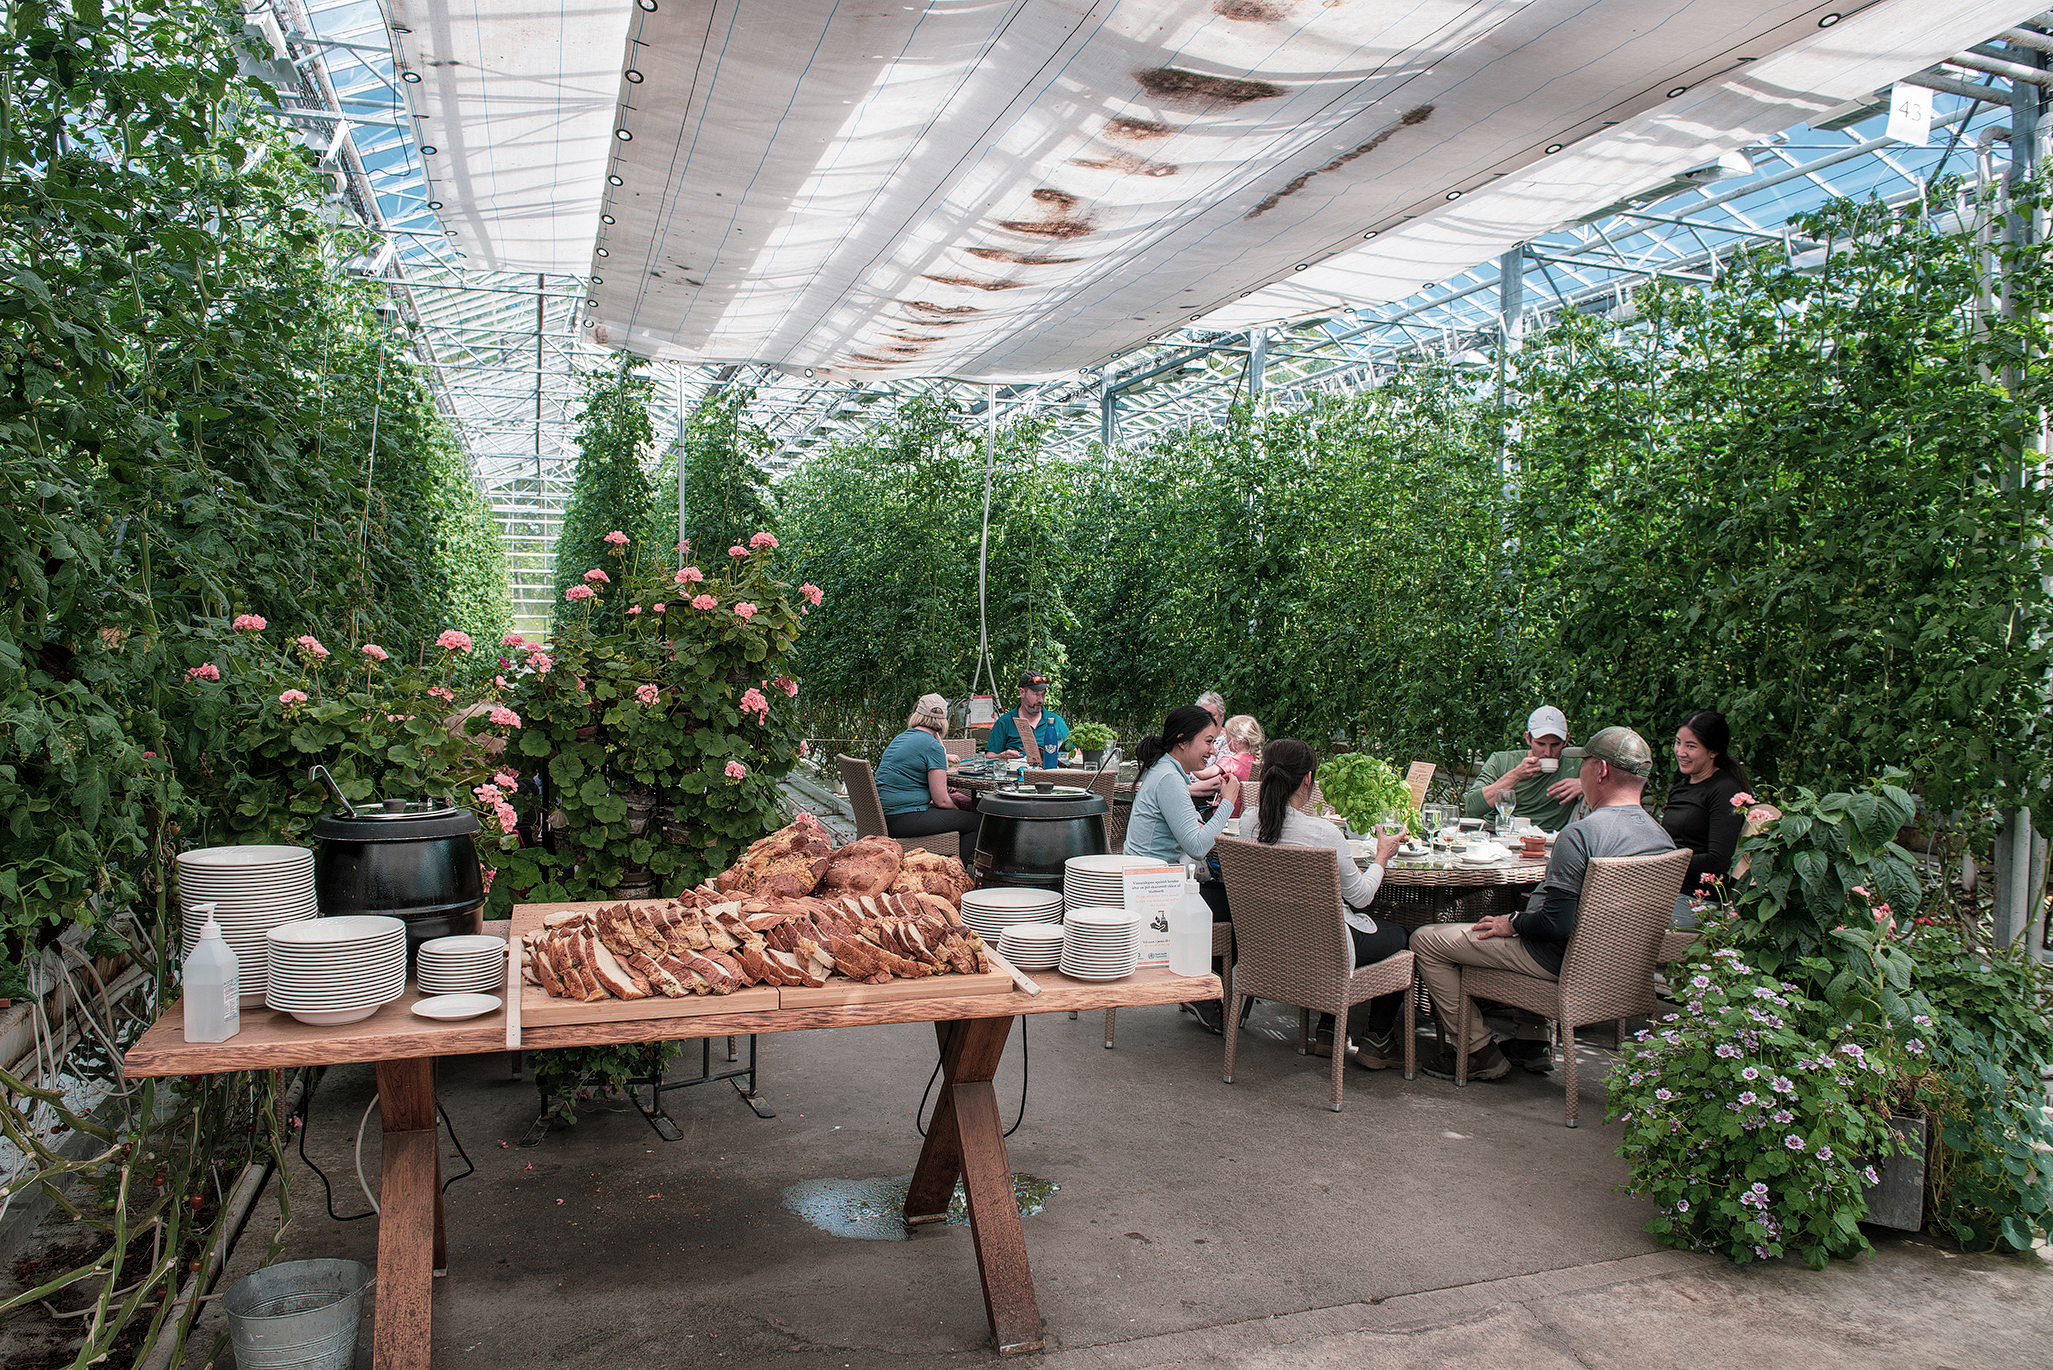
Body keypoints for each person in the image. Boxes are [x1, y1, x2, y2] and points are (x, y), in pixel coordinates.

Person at [1414, 726, 1676, 1082]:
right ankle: (1531, 1042)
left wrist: (1513, 922)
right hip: (1617, 967)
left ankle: (1476, 1051)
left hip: (1559, 961)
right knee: (1529, 911)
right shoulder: (1661, 838)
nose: (1579, 771)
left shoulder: (1582, 834)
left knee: (1426, 940)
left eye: (1583, 763)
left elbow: (1555, 924)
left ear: (1601, 770)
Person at [1249, 739, 1408, 1067]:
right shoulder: (1323, 834)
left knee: (1326, 930)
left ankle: (1330, 1029)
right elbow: (1361, 897)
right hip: (1324, 949)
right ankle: (1377, 1039)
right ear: (1308, 779)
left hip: (1270, 946)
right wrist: (1382, 856)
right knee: (1400, 935)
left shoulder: (1250, 822)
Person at [1124, 704, 1240, 1032]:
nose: (1212, 750)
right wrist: (1228, 801)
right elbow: (1197, 846)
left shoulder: (1167, 771)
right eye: (1208, 741)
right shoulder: (1168, 778)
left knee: (1222, 898)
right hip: (1150, 891)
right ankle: (1200, 990)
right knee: (1236, 908)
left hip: (1149, 880)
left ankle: (1198, 984)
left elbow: (1188, 831)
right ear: (1183, 741)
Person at [1661, 710, 1751, 926]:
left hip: (1696, 900)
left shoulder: (1725, 789)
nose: (1680, 752)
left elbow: (1718, 860)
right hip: (1665, 889)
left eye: (1691, 746)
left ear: (1714, 751)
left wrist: (1662, 862)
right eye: (1678, 743)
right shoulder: (1680, 788)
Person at [877, 694, 982, 844]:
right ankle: (959, 860)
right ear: (943, 720)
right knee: (976, 823)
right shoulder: (932, 746)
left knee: (961, 817)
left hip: (883, 816)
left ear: (917, 714)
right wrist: (958, 812)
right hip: (904, 817)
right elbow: (942, 801)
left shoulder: (901, 738)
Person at [1463, 704, 1585, 833]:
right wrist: (1515, 776)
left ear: (1566, 740)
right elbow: (1472, 808)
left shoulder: (1577, 763)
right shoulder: (1501, 761)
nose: (1548, 752)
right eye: (1541, 744)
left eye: (1555, 744)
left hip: (1550, 838)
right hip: (1500, 834)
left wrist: (1585, 784)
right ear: (1528, 738)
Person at [985, 672, 1070, 769]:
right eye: (1036, 694)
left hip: (1049, 774)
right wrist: (1002, 756)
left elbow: (1075, 751)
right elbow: (989, 756)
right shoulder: (1005, 722)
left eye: (1043, 694)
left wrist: (1063, 757)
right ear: (1022, 692)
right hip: (1016, 774)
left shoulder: (1055, 721)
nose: (1041, 700)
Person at [1216, 715, 1262, 817]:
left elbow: (1203, 775)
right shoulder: (1256, 760)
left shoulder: (1230, 761)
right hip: (1245, 813)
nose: (1226, 741)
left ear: (1238, 739)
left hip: (1227, 813)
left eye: (1228, 737)